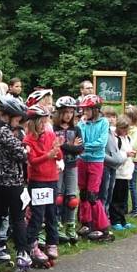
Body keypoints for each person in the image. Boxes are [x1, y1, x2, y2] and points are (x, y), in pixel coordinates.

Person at [0, 95, 30, 266]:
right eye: (17, 118)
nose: (19, 122)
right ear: (8, 115)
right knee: (18, 217)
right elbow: (22, 154)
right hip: (13, 183)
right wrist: (25, 149)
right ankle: (23, 251)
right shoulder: (4, 132)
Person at [24, 105, 62, 265]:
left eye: (45, 121)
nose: (43, 124)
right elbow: (33, 161)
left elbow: (59, 155)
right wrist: (48, 155)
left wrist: (56, 149)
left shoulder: (50, 134)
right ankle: (31, 244)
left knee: (52, 213)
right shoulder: (28, 139)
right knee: (38, 215)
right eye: (41, 121)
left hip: (52, 179)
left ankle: (52, 242)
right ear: (33, 122)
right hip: (38, 181)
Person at [76, 95, 112, 241]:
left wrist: (85, 147)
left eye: (87, 109)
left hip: (96, 161)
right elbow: (80, 141)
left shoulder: (104, 122)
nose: (85, 112)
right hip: (82, 160)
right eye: (84, 109)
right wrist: (83, 146)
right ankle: (86, 223)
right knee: (83, 193)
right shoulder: (82, 123)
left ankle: (103, 227)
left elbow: (101, 143)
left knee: (93, 195)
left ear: (96, 109)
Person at [53, 96, 83, 243]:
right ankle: (57, 224)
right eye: (65, 112)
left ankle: (70, 226)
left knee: (72, 198)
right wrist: (71, 145)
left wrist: (63, 145)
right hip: (57, 166)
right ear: (59, 113)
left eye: (71, 112)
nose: (68, 115)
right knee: (57, 197)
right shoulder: (53, 129)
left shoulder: (76, 129)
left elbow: (80, 148)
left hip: (72, 166)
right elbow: (54, 147)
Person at [110, 115, 136, 230]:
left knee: (123, 199)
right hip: (118, 173)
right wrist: (127, 154)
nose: (125, 131)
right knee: (116, 198)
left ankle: (122, 220)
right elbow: (116, 155)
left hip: (126, 173)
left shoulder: (127, 138)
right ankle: (115, 220)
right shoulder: (115, 139)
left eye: (127, 129)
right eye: (123, 129)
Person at [125, 108, 137, 217]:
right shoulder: (129, 129)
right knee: (128, 185)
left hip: (135, 160)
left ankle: (136, 209)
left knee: (132, 185)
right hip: (129, 159)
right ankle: (127, 208)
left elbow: (133, 145)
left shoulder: (136, 131)